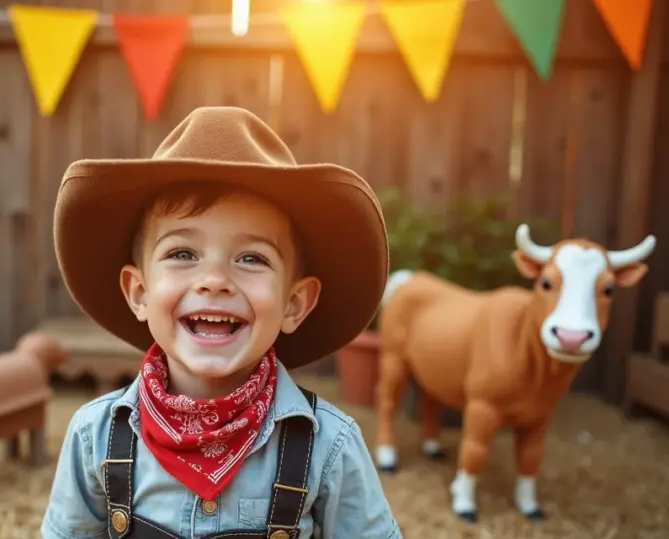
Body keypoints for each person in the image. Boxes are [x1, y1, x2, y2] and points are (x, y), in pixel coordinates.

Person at [41, 106, 401, 539]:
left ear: (293, 303)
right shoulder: (95, 438)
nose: (214, 281)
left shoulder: (329, 447)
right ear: (140, 293)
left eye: (251, 258)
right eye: (182, 254)